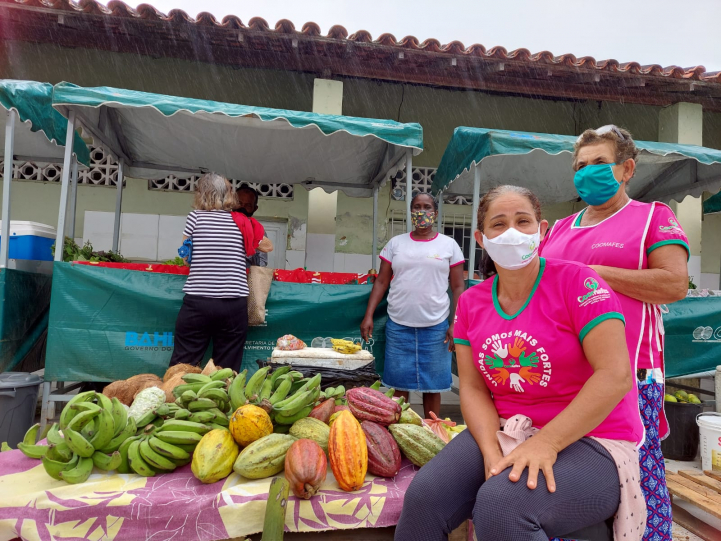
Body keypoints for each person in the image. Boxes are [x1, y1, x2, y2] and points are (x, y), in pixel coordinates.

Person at [395, 185, 646, 541]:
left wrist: (547, 443)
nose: (512, 232)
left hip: (594, 438)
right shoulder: (471, 302)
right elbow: (472, 387)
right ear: (481, 238)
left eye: (523, 221)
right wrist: (488, 448)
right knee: (423, 497)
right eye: (499, 224)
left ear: (542, 231)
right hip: (506, 426)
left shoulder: (578, 282)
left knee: (501, 506)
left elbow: (616, 375)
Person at [540, 125, 689, 541]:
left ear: (626, 168)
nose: (588, 173)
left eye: (599, 163)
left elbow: (674, 284)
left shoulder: (652, 217)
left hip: (629, 371)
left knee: (638, 471)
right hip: (564, 374)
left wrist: (595, 274)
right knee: (567, 467)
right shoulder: (559, 230)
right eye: (580, 166)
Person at [361, 192, 465, 418]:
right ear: (411, 212)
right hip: (399, 325)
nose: (422, 212)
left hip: (436, 327)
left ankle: (432, 431)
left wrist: (455, 322)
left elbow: (458, 287)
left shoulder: (449, 245)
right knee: (399, 386)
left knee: (433, 386)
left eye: (427, 207)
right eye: (417, 207)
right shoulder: (395, 244)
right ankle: (401, 430)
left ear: (435, 213)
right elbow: (381, 281)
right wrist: (368, 315)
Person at [168, 173, 249, 372]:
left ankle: (174, 398)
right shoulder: (242, 221)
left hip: (198, 301)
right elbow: (260, 249)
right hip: (234, 302)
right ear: (229, 195)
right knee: (226, 367)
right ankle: (220, 400)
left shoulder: (195, 217)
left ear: (202, 194)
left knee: (184, 363)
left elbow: (186, 256)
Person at [235, 185, 268, 267]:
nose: (242, 208)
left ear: (255, 208)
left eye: (248, 205)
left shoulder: (258, 231)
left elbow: (262, 263)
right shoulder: (222, 224)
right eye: (239, 203)